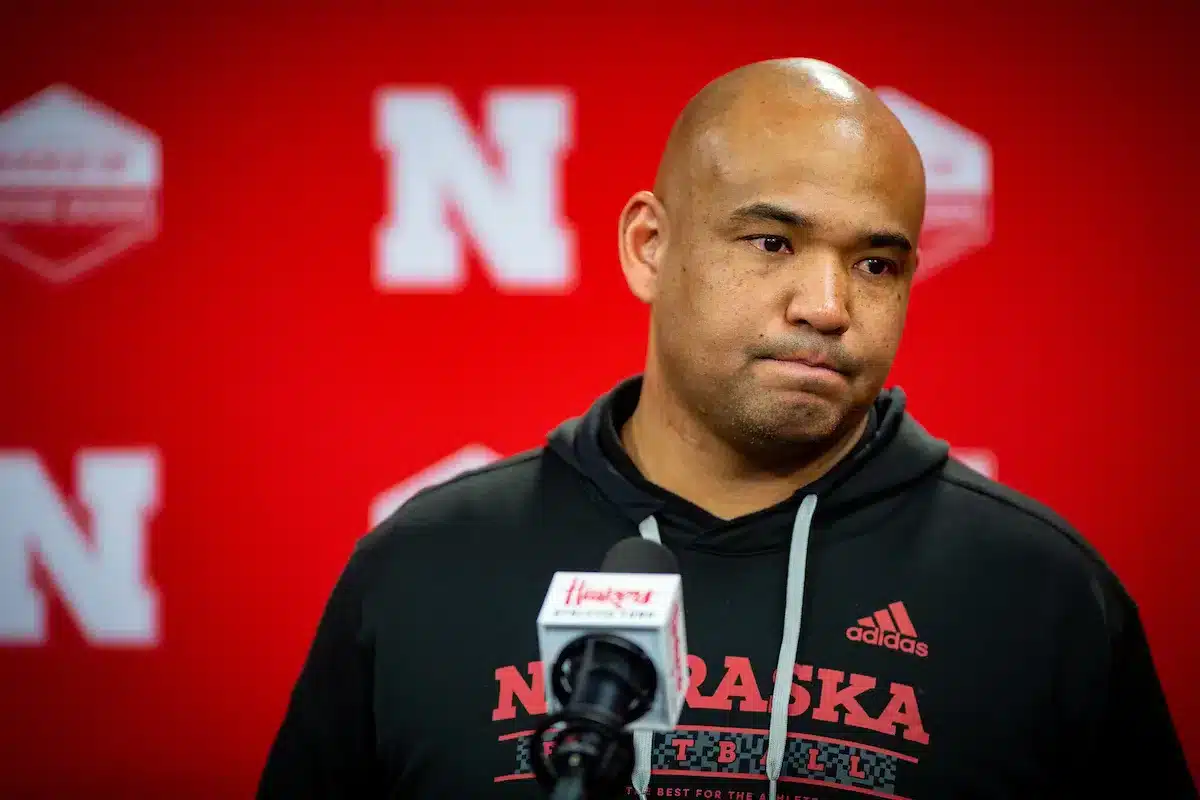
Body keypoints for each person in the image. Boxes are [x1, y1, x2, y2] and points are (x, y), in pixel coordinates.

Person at [257, 58, 1197, 799]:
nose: (828, 306)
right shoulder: (426, 566)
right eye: (773, 243)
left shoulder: (1044, 596)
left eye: (876, 265)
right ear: (649, 248)